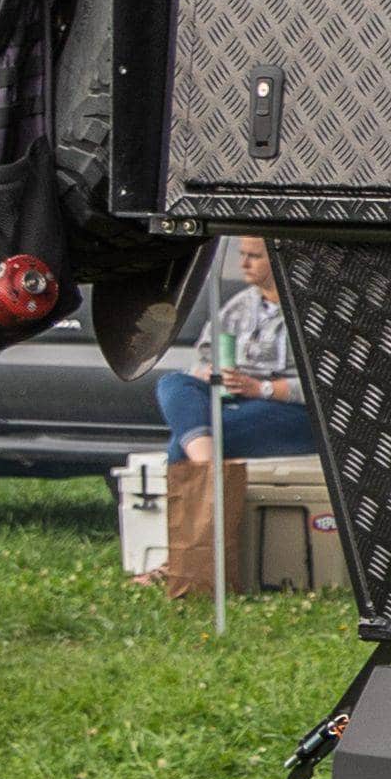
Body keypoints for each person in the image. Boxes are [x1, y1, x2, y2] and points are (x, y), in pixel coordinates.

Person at [144, 237, 313, 599]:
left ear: (282, 259)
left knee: (181, 441)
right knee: (174, 382)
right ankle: (207, 465)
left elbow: (327, 386)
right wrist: (212, 375)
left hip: (290, 412)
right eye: (243, 256)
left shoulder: (310, 311)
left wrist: (261, 388)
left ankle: (180, 563)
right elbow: (204, 358)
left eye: (255, 256)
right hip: (234, 399)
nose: (245, 264)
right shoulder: (238, 306)